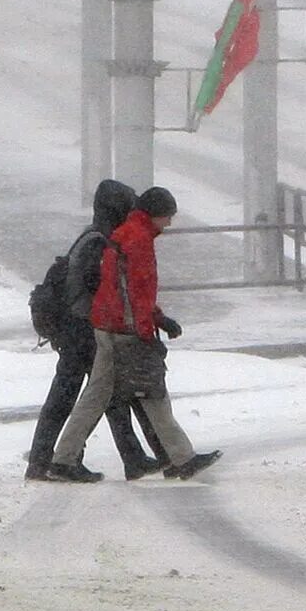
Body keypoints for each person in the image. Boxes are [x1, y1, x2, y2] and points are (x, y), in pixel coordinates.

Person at [49, 186, 220, 482]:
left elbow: (127, 289)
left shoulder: (127, 234)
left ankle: (63, 460)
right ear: (154, 214)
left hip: (108, 324)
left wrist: (157, 318)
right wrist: (144, 331)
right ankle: (182, 459)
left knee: (97, 396)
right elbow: (133, 293)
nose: (169, 223)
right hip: (123, 329)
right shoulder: (138, 240)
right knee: (152, 391)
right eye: (167, 217)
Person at [24, 179, 169, 481]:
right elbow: (100, 288)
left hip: (75, 327)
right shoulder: (101, 242)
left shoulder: (92, 237)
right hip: (83, 328)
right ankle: (62, 461)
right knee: (97, 395)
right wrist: (110, 320)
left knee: (98, 394)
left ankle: (48, 460)